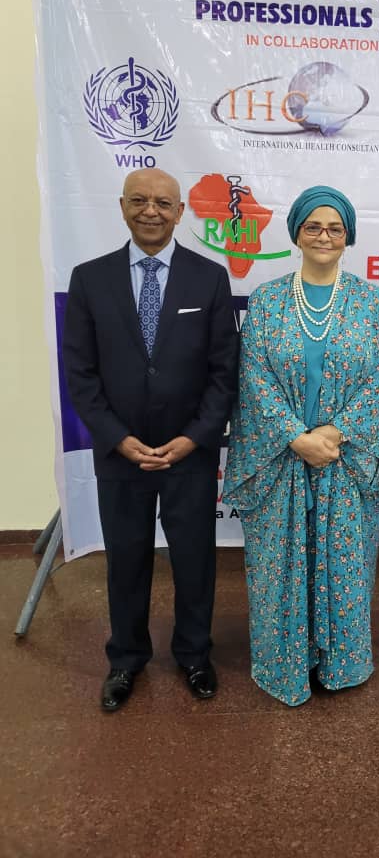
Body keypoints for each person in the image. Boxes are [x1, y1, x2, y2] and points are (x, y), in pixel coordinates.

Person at [62, 168, 238, 711]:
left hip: (189, 452)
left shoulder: (209, 277)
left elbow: (224, 372)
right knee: (127, 559)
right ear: (121, 207)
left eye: (163, 202)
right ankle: (126, 659)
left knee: (194, 559)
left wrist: (195, 438)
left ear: (181, 211)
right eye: (139, 201)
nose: (151, 211)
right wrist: (117, 438)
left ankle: (193, 655)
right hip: (122, 453)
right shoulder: (89, 279)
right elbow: (81, 374)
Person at [224, 185, 379, 707]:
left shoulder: (370, 302)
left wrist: (336, 432)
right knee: (279, 567)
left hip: (346, 461)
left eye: (335, 228)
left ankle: (339, 661)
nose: (324, 236)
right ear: (297, 234)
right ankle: (286, 664)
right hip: (281, 459)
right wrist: (296, 437)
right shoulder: (268, 299)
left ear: (348, 237)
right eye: (313, 227)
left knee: (345, 569)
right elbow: (252, 378)